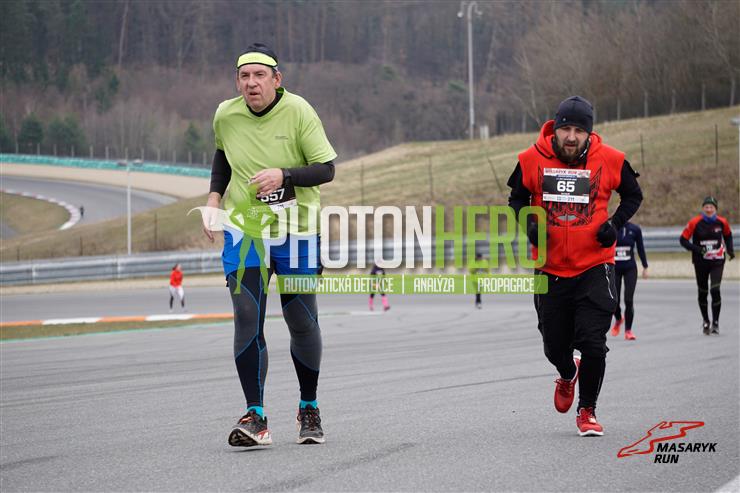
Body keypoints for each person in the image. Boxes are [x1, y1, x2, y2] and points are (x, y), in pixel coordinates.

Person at [203, 43, 337, 447]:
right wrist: (214, 197)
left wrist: (285, 175)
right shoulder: (226, 114)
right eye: (244, 76)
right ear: (237, 82)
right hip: (246, 229)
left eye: (260, 75)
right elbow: (223, 155)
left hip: (297, 230)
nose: (252, 83)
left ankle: (309, 407)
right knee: (247, 315)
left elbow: (326, 169)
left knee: (300, 319)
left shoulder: (299, 111)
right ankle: (255, 416)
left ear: (277, 79)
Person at [507, 96, 643, 436]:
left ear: (589, 133)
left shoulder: (611, 159)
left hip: (595, 265)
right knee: (554, 346)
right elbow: (516, 198)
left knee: (593, 342)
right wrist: (530, 223)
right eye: (565, 129)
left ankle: (587, 411)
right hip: (550, 268)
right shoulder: (530, 159)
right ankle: (568, 373)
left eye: (579, 131)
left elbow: (633, 195)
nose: (571, 137)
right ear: (555, 128)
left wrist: (615, 224)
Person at [680, 196, 734, 335]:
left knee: (715, 290)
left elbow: (728, 235)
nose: (709, 209)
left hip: (717, 261)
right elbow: (683, 240)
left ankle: (715, 322)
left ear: (716, 209)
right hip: (701, 262)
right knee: (702, 292)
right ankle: (706, 320)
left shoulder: (722, 222)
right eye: (706, 207)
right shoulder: (695, 222)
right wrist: (699, 250)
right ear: (703, 208)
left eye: (711, 207)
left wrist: (730, 250)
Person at [610, 222, 648, 340]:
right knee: (614, 301)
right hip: (615, 269)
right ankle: (618, 319)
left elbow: (640, 248)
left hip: (630, 269)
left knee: (628, 299)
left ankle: (628, 330)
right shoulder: (611, 228)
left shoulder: (635, 229)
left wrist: (645, 267)